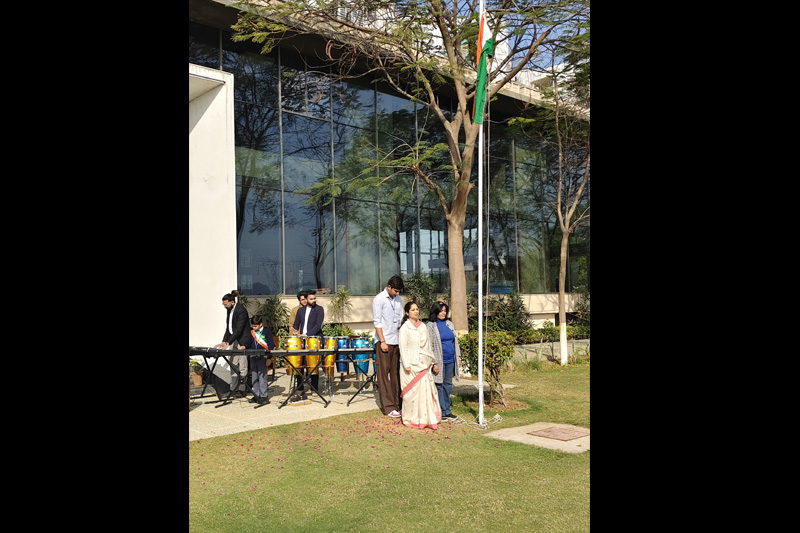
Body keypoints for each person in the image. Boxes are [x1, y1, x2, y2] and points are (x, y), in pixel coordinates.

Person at [398, 301, 441, 430]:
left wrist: (432, 362)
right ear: (407, 313)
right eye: (413, 310)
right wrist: (407, 364)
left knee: (424, 393)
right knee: (410, 395)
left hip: (424, 364)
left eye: (417, 309)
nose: (416, 311)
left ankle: (426, 418)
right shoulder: (405, 328)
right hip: (410, 366)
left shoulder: (422, 326)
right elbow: (403, 347)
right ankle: (411, 418)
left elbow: (428, 346)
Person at [372, 275, 404, 418]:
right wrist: (382, 341)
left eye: (399, 291)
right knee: (384, 375)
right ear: (389, 287)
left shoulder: (398, 299)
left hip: (396, 341)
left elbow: (401, 319)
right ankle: (388, 407)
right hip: (384, 341)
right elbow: (377, 322)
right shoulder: (379, 299)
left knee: (396, 374)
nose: (397, 293)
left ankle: (398, 404)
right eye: (395, 291)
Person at [426, 301, 461, 421]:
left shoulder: (449, 324)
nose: (443, 313)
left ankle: (447, 410)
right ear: (435, 311)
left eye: (445, 311)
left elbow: (455, 342)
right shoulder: (431, 326)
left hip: (450, 360)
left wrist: (458, 357)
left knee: (448, 384)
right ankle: (440, 410)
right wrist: (433, 363)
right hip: (438, 361)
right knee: (439, 385)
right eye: (441, 311)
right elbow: (429, 345)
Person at [291, 290, 324, 404]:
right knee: (299, 363)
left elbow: (318, 325)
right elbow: (296, 324)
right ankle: (300, 388)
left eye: (314, 298)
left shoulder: (319, 309)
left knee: (313, 363)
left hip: (313, 339)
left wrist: (307, 334)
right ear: (306, 299)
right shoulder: (300, 310)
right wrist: (295, 330)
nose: (314, 300)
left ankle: (314, 388)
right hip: (301, 340)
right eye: (311, 299)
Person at [215, 290, 251, 396]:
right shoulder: (229, 310)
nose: (225, 306)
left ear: (232, 302)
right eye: (224, 305)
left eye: (226, 304)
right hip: (233, 339)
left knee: (242, 365)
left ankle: (242, 389)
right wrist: (224, 341)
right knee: (233, 364)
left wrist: (228, 342)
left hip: (241, 340)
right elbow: (229, 328)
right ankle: (233, 389)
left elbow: (239, 329)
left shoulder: (241, 310)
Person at [238, 314, 275, 405]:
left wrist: (269, 357)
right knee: (254, 376)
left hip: (263, 356)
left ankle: (263, 396)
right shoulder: (251, 333)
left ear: (260, 324)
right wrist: (244, 346)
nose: (254, 328)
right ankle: (256, 394)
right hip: (253, 356)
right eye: (253, 326)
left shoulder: (266, 332)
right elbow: (248, 342)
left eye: (255, 326)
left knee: (262, 376)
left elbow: (271, 345)